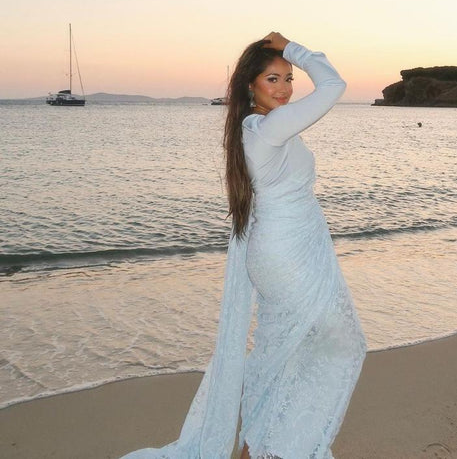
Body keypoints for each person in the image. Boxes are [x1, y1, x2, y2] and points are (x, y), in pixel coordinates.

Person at [120, 33, 367, 459]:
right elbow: (333, 85)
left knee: (289, 353)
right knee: (340, 343)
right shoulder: (268, 129)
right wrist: (293, 48)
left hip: (286, 250)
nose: (285, 88)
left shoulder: (256, 128)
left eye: (289, 78)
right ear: (250, 85)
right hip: (287, 257)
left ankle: (260, 447)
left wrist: (286, 56)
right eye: (273, 78)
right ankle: (276, 446)